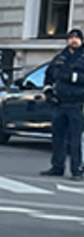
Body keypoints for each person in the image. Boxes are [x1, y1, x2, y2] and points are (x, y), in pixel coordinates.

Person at [42, 28, 84, 179]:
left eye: (77, 38)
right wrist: (48, 92)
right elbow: (48, 76)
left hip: (77, 103)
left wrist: (72, 77)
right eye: (71, 38)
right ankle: (57, 167)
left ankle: (76, 169)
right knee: (58, 137)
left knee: (75, 140)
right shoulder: (60, 57)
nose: (73, 40)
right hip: (60, 103)